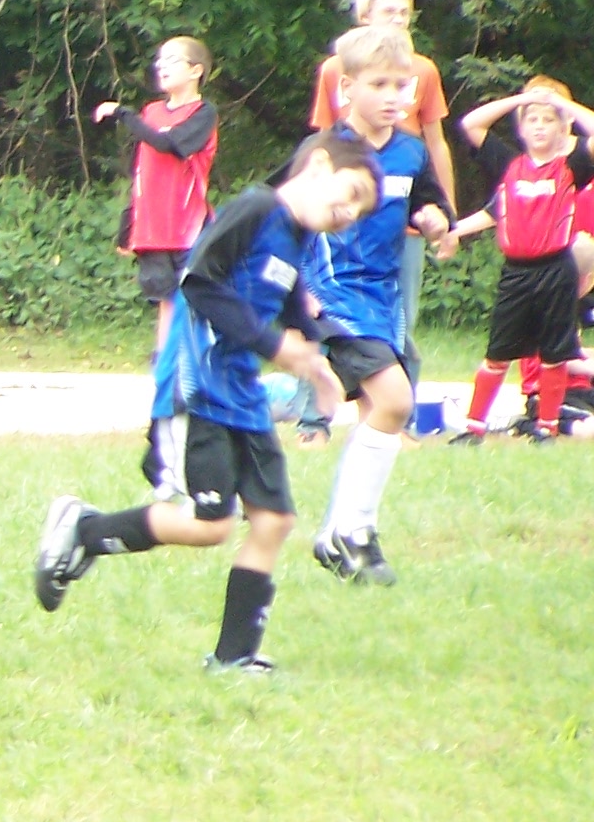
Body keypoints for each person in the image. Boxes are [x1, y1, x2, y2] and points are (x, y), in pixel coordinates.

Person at [33, 133, 380, 673]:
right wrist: (274, 346)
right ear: (317, 165)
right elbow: (198, 283)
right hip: (201, 389)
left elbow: (290, 305)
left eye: (360, 211)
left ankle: (234, 659)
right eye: (352, 193)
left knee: (274, 520)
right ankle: (84, 531)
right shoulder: (255, 209)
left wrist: (317, 361)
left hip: (242, 393)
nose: (350, 214)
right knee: (209, 524)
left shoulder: (299, 236)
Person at [301, 26, 454, 585]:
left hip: (382, 299)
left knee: (380, 413)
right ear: (347, 88)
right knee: (395, 399)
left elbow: (430, 205)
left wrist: (435, 220)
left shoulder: (411, 152)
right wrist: (297, 291)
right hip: (334, 294)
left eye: (402, 85)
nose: (394, 96)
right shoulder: (324, 153)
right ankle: (353, 531)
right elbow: (283, 215)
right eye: (380, 84)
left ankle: (340, 532)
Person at [447, 82, 594, 443]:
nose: (540, 126)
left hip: (556, 268)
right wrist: (525, 99)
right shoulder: (509, 164)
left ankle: (546, 427)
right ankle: (474, 427)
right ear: (521, 128)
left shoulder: (570, 168)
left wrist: (562, 105)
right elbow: (471, 124)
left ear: (563, 129)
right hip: (517, 271)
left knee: (554, 353)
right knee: (498, 353)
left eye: (548, 120)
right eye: (532, 120)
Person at [308, 0, 459, 323]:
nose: (398, 19)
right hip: (340, 242)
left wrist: (443, 215)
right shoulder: (335, 70)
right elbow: (320, 142)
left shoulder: (422, 72)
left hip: (399, 209)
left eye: (405, 13)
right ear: (364, 17)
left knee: (399, 324)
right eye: (389, 11)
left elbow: (435, 147)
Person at [93, 35, 219, 358]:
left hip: (188, 226)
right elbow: (142, 173)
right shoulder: (151, 112)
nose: (162, 67)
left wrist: (122, 113)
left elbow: (169, 144)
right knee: (165, 299)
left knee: (193, 297)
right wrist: (128, 223)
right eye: (160, 60)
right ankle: (166, 365)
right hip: (153, 228)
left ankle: (197, 362)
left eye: (172, 60)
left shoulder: (203, 113)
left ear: (196, 71)